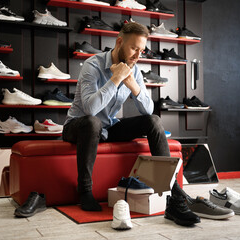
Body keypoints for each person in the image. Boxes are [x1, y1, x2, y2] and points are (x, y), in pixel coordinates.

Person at [62, 22, 170, 211]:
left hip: (107, 127)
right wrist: (116, 79)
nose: (138, 56)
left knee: (153, 121)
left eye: (142, 51)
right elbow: (90, 109)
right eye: (134, 48)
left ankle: (170, 188)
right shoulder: (92, 65)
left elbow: (149, 110)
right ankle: (85, 191)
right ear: (119, 42)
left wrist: (134, 86)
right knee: (92, 122)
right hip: (78, 126)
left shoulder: (134, 69)